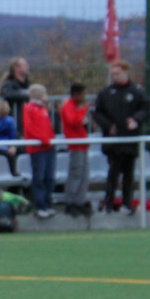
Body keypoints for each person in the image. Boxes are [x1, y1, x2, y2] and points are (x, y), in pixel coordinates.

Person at [92, 59, 148, 213]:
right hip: (113, 142)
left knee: (129, 174)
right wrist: (109, 126)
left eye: (117, 73)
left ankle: (126, 204)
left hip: (130, 140)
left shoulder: (137, 92)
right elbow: (97, 113)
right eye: (113, 74)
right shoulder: (106, 93)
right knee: (113, 173)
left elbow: (145, 109)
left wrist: (135, 120)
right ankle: (108, 204)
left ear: (126, 72)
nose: (115, 76)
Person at [23, 83, 57, 218]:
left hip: (48, 147)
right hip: (38, 149)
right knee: (39, 177)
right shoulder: (29, 108)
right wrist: (44, 139)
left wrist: (51, 140)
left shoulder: (43, 109)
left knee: (49, 177)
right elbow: (31, 128)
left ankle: (48, 204)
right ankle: (40, 205)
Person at [60, 82, 92, 216]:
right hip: (75, 146)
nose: (84, 97)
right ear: (75, 94)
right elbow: (73, 121)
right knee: (75, 175)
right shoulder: (68, 106)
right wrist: (84, 110)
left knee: (84, 175)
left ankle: (79, 202)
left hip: (82, 145)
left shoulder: (75, 106)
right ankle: (71, 202)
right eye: (82, 94)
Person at [0, 57, 31, 126]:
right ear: (17, 69)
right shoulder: (8, 83)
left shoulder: (27, 84)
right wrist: (27, 94)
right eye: (25, 65)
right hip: (14, 122)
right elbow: (7, 94)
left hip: (25, 122)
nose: (28, 67)